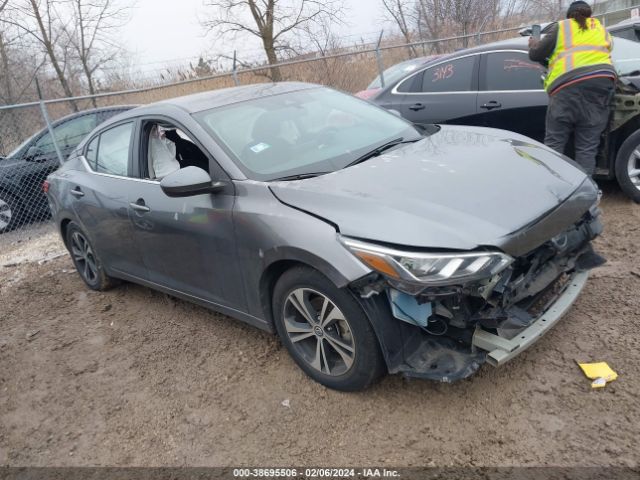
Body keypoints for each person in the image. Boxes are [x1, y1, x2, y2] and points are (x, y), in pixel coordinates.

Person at [529, 1, 616, 176]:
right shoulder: (602, 30)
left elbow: (536, 54)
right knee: (587, 147)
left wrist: (534, 43)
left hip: (567, 88)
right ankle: (584, 194)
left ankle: (554, 189)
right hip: (600, 87)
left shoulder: (562, 27)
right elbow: (607, 50)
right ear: (590, 14)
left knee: (554, 144)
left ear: (569, 14)